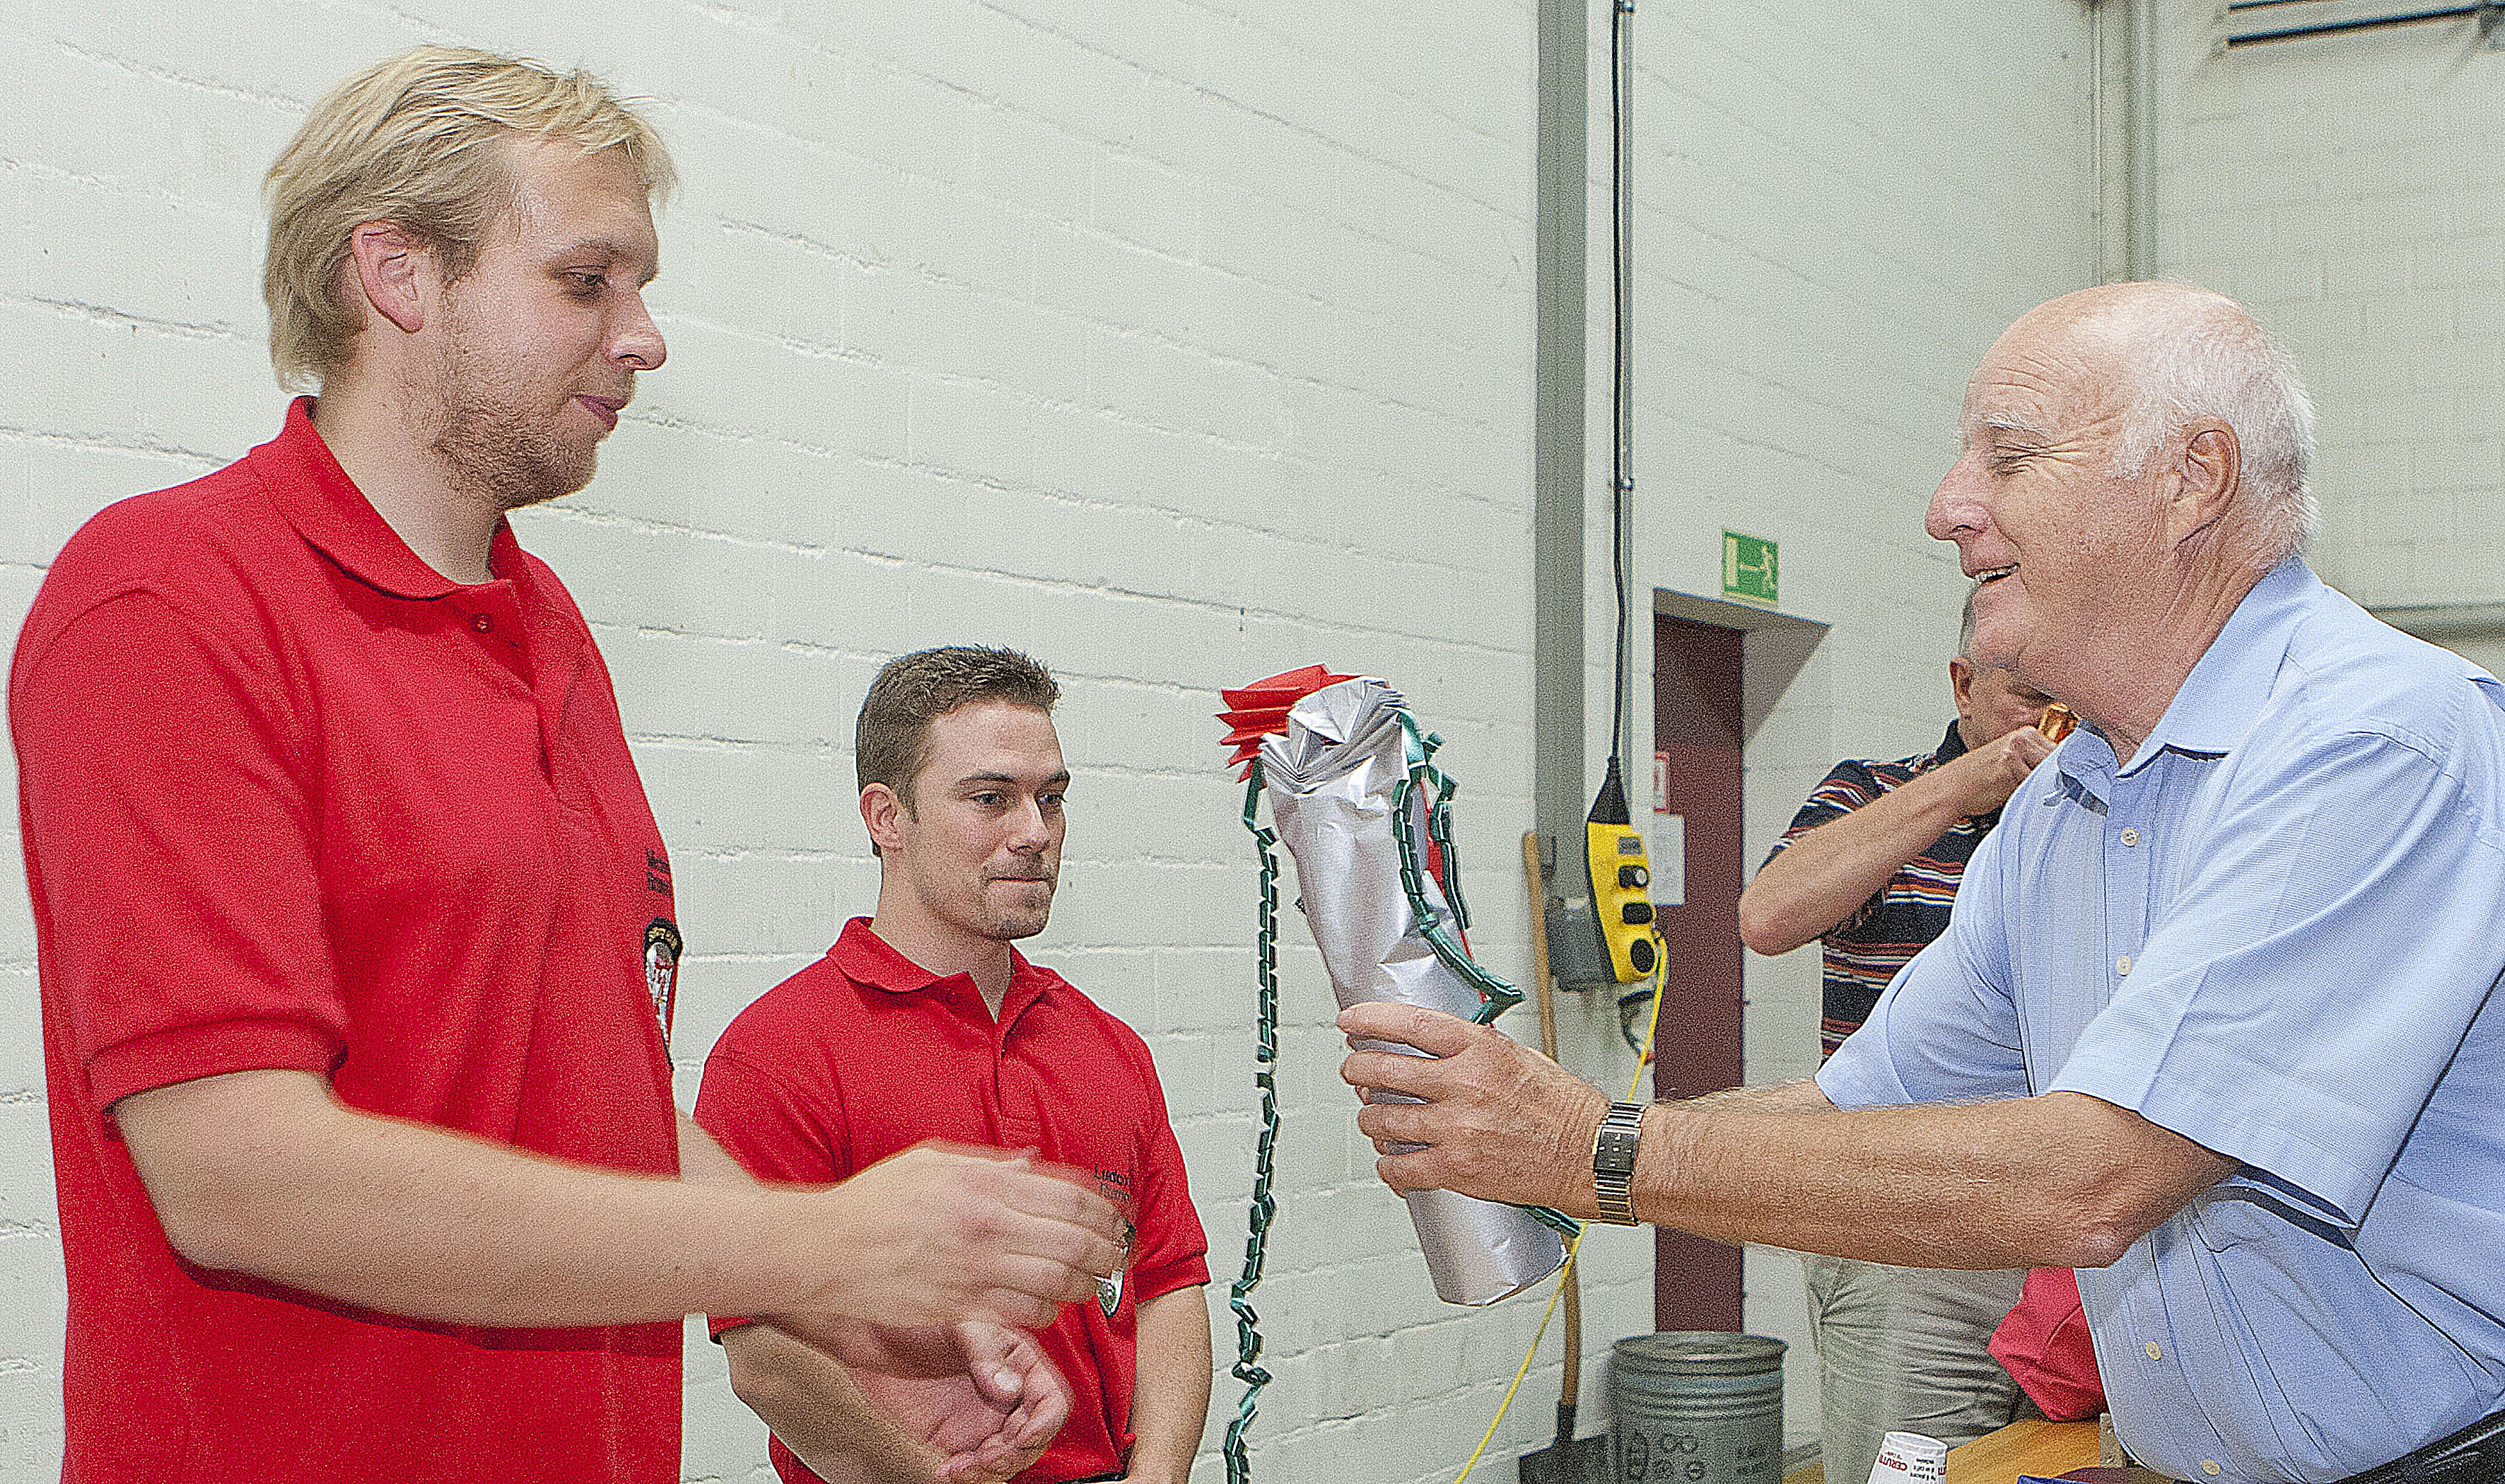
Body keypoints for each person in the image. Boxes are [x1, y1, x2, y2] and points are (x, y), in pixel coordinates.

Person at [10, 48, 1119, 1484]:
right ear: (397, 274)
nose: (644, 336)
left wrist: (841, 1314)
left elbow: (597, 1103)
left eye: (640, 286)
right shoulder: (169, 600)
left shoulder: (552, 640)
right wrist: (823, 1237)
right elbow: (236, 1169)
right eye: (586, 280)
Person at [1338, 281, 2505, 1483]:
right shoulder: (2063, 804)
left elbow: (2093, 1175)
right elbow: (1858, 1105)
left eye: (2007, 457)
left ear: (2191, 478)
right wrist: (1531, 1133)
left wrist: (1603, 1151)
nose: (1947, 509)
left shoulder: (2371, 744)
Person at [697, 646, 1214, 1484]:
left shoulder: (1107, 1046)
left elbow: (1167, 1285)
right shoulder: (779, 1053)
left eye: (1052, 799)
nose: (1035, 832)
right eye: (991, 799)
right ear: (886, 817)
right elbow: (765, 1350)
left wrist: (1158, 1472)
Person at [1736, 595, 2055, 1484]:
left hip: (2060, 1227)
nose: (2050, 719)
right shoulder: (1873, 793)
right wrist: (1965, 785)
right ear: (1963, 684)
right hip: (1903, 1235)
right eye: (2028, 695)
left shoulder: (2088, 815)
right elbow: (1768, 914)